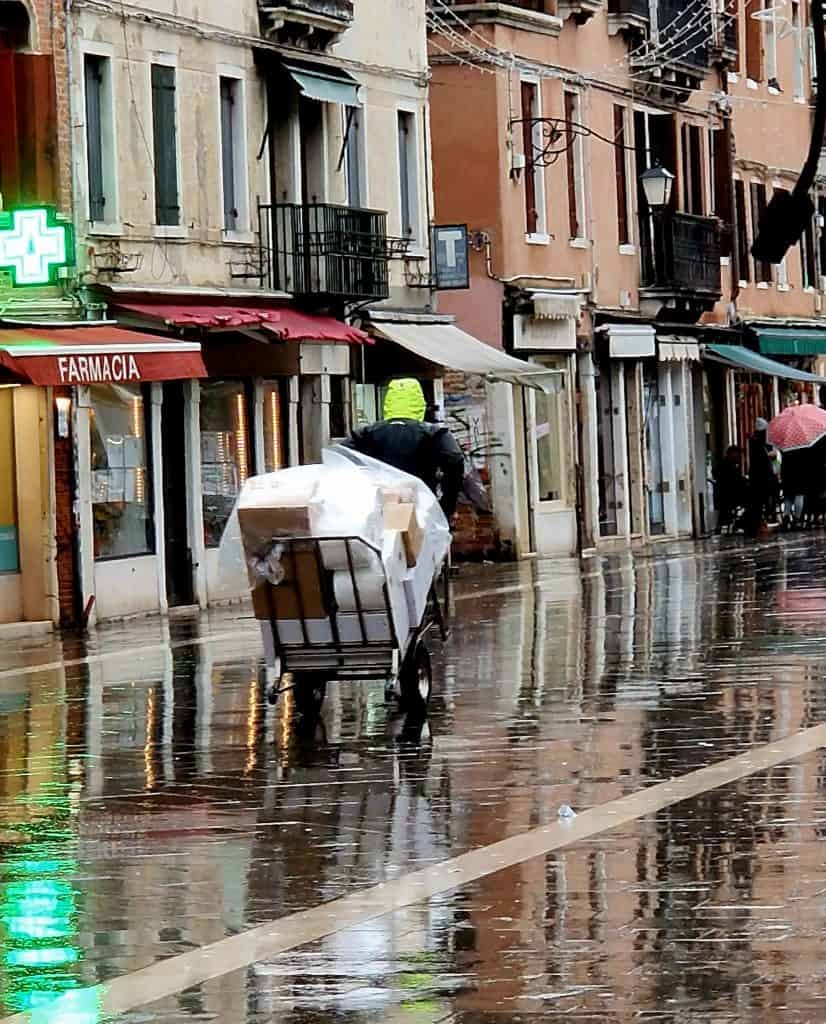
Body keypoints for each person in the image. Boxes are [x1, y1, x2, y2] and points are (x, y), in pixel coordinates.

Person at [344, 378, 465, 518]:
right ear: (420, 403)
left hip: (383, 509)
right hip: (422, 510)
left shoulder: (367, 432)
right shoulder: (434, 433)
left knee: (388, 530)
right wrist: (446, 506)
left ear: (388, 402)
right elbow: (455, 460)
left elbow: (340, 458)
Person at [745, 417, 778, 535]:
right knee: (759, 502)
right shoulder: (758, 442)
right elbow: (762, 459)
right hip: (761, 477)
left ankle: (760, 523)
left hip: (759, 477)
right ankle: (759, 524)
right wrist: (770, 456)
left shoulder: (756, 441)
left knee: (759, 502)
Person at [714, 445, 747, 532]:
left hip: (725, 495)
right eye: (737, 455)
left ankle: (736, 523)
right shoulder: (728, 466)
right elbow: (735, 481)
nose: (739, 457)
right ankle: (740, 523)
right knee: (751, 501)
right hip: (729, 496)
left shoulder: (727, 464)